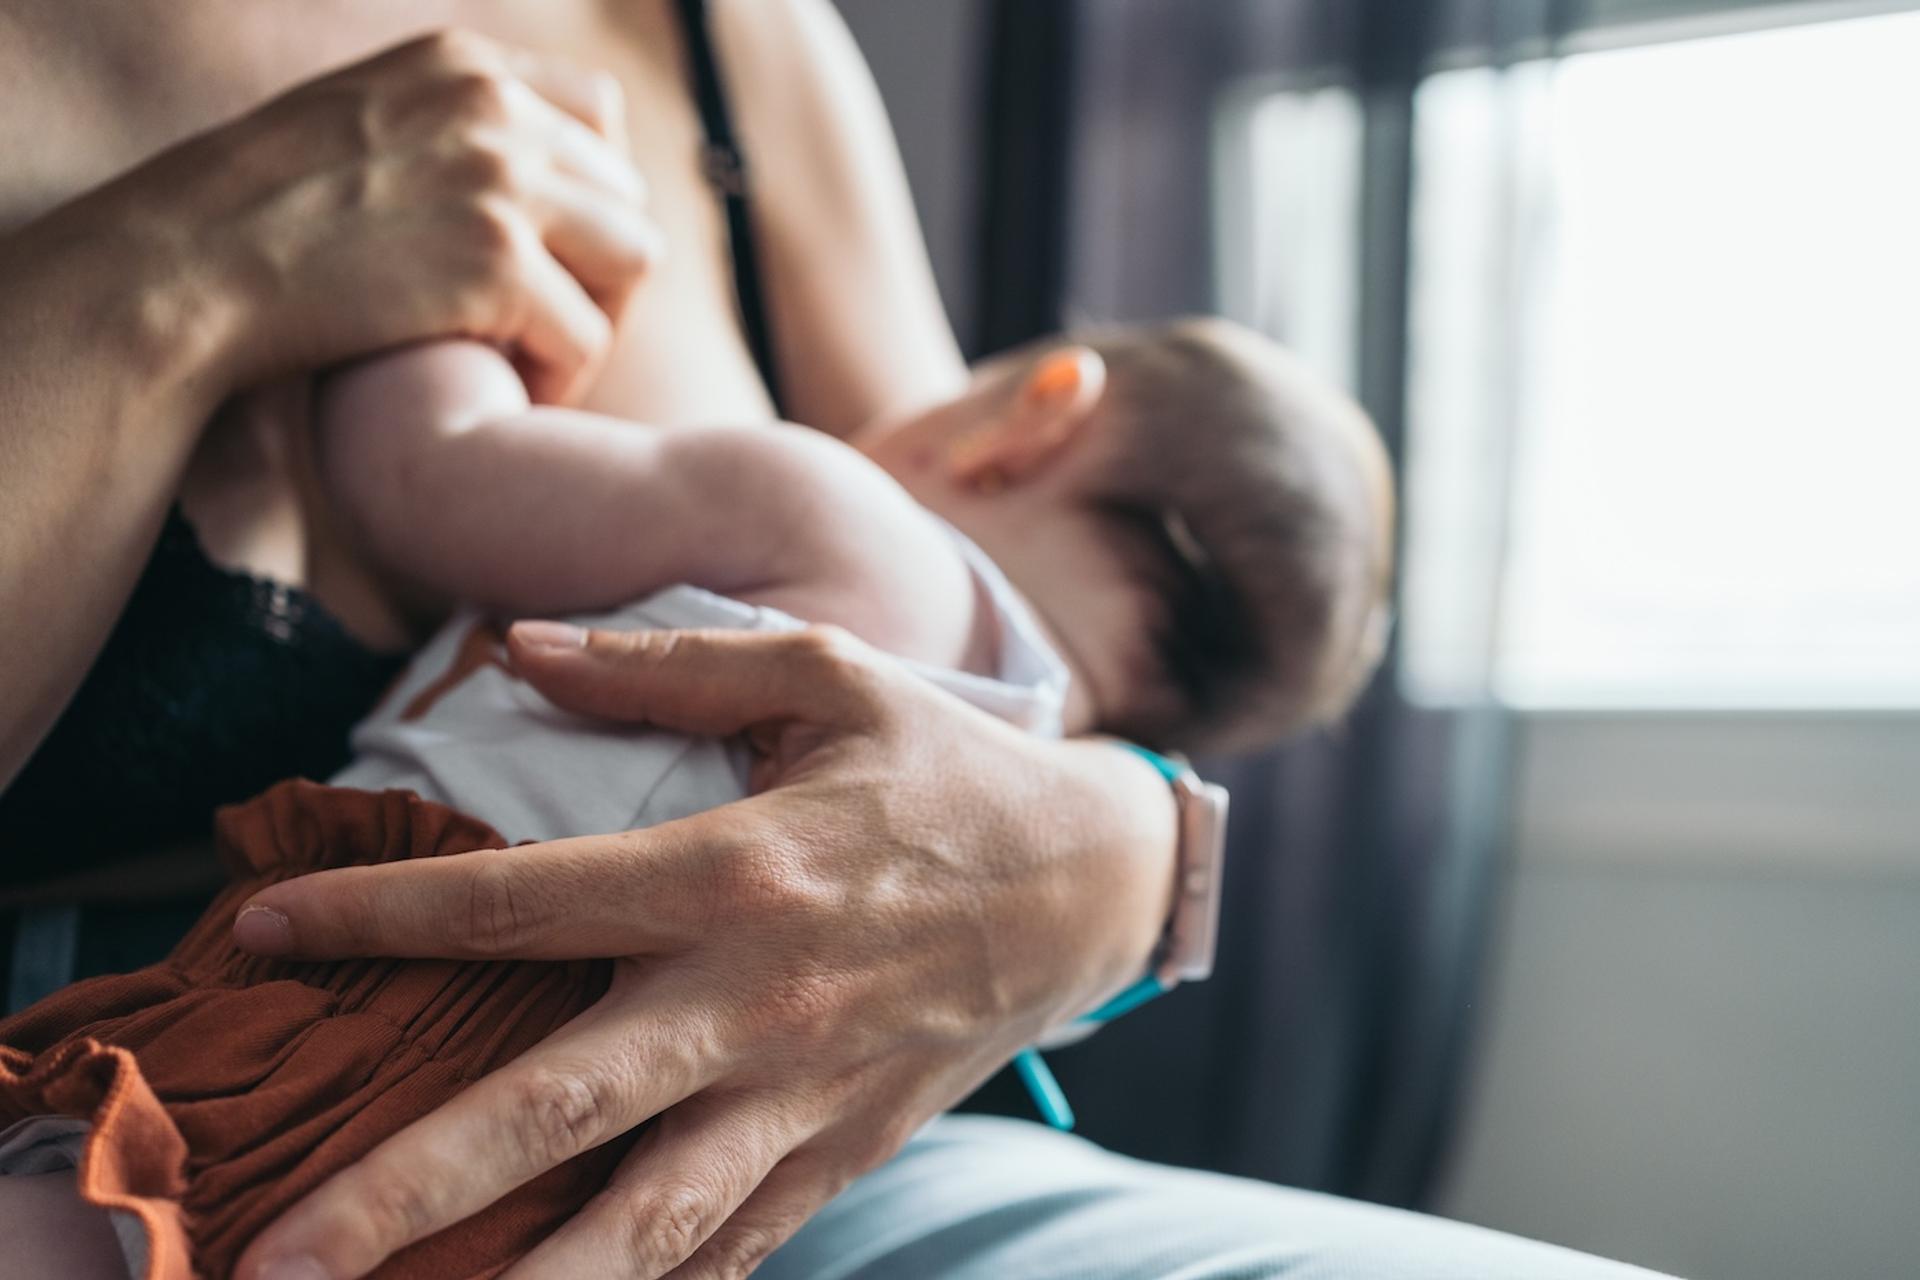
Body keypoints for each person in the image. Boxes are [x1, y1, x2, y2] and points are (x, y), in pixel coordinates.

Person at [0, 2, 1674, 1276]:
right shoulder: (990, 661)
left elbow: (432, 476)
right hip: (573, 1123)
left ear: (1036, 412)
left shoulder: (745, 75)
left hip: (543, 1073)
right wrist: (209, 256)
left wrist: (1130, 852)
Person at [0, 315, 1392, 1277]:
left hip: (388, 1019)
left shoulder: (842, 517)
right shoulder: (1021, 792)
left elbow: (424, 473)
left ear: (1036, 412)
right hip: (604, 1187)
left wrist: (454, 303)